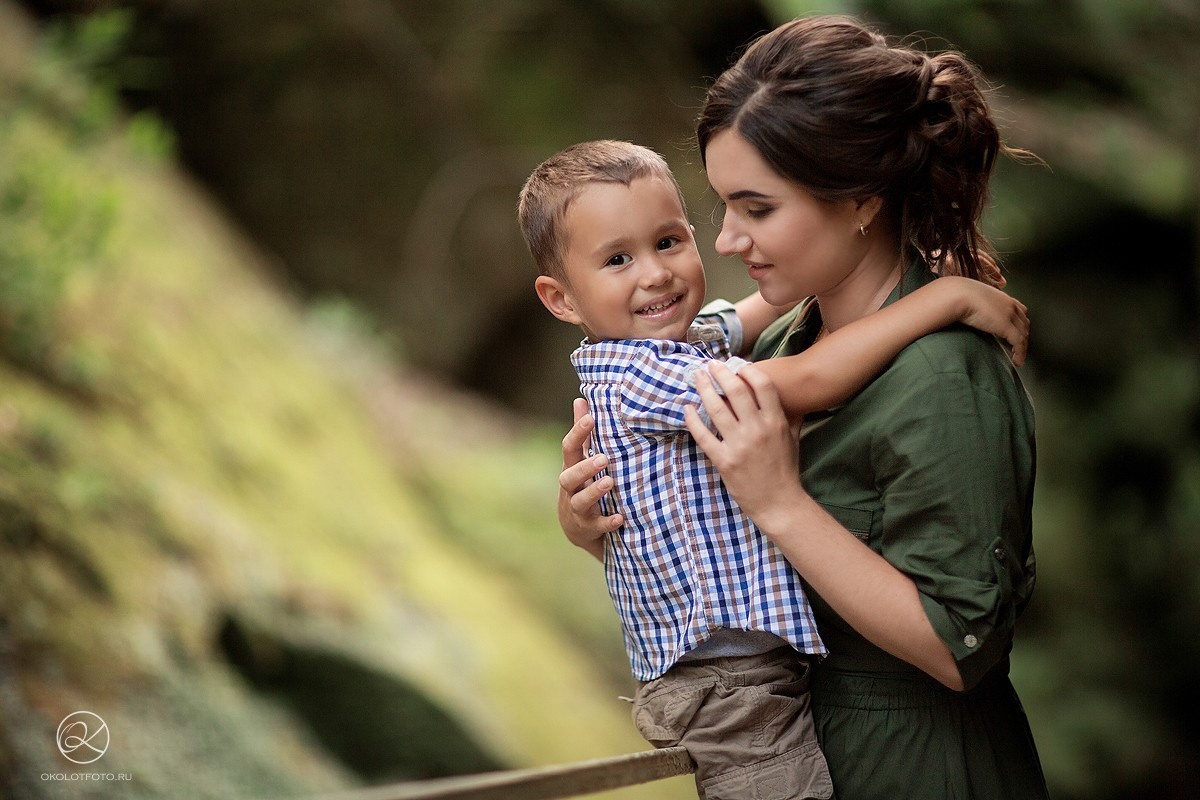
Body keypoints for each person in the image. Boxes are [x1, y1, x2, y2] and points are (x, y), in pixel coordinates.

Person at [557, 16, 1050, 800]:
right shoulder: (789, 333)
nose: (723, 243)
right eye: (721, 208)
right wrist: (604, 530)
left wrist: (781, 502)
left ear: (860, 200)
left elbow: (961, 648)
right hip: (800, 737)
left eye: (756, 209)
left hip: (914, 765)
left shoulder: (945, 376)